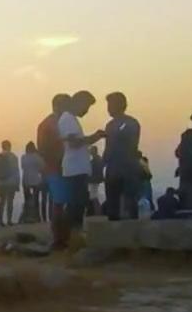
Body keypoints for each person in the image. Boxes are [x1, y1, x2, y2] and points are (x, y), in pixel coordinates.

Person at [58, 91, 105, 243]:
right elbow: (74, 143)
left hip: (78, 168)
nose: (86, 111)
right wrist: (94, 137)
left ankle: (72, 236)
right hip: (74, 169)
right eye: (86, 107)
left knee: (78, 203)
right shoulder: (67, 119)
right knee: (75, 205)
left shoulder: (71, 119)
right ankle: (72, 237)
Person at [103, 92, 143, 220]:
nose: (108, 108)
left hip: (127, 169)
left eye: (111, 105)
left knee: (129, 203)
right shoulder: (111, 125)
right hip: (114, 169)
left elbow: (131, 145)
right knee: (113, 205)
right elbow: (108, 148)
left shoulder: (129, 123)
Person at [37, 94, 70, 241]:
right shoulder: (51, 124)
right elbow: (44, 149)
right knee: (58, 202)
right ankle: (58, 236)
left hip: (58, 167)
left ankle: (60, 234)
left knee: (59, 201)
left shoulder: (53, 122)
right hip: (56, 167)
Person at [0, 140, 21, 227]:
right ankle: (9, 220)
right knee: (10, 201)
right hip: (11, 182)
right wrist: (17, 183)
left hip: (1, 182)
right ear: (10, 146)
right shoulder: (13, 157)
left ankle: (0, 220)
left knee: (1, 201)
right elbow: (16, 171)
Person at [20, 142, 46, 224]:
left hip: (26, 180)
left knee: (27, 199)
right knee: (36, 199)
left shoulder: (23, 157)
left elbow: (23, 167)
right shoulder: (37, 157)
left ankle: (27, 216)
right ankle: (37, 217)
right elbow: (42, 167)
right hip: (36, 180)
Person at [87, 146, 105, 216]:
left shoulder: (95, 161)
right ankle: (98, 212)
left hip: (94, 180)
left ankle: (98, 212)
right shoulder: (99, 159)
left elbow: (91, 171)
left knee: (93, 197)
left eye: (91, 150)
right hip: (97, 180)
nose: (90, 152)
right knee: (94, 196)